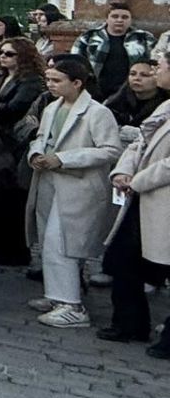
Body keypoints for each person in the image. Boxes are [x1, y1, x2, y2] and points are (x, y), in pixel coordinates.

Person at [25, 55, 122, 328]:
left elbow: (110, 150)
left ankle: (72, 305)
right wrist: (36, 154)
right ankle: (57, 295)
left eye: (57, 80)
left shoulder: (97, 113)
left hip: (79, 187)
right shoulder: (51, 108)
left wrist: (65, 159)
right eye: (48, 80)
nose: (51, 85)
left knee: (62, 242)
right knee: (48, 240)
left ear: (77, 83)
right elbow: (42, 137)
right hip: (49, 182)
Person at [103, 50, 170, 356]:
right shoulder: (165, 106)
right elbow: (141, 142)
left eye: (160, 67)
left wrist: (139, 180)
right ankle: (130, 323)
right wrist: (123, 170)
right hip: (143, 198)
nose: (155, 72)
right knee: (122, 260)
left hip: (159, 197)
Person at [0, 37, 47, 268]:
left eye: (9, 54)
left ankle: (16, 251)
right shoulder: (1, 78)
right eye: (1, 52)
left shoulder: (31, 81)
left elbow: (15, 108)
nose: (3, 56)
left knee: (13, 198)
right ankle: (0, 247)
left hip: (16, 143)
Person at [71, 1, 155, 101]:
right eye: (115, 16)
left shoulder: (144, 38)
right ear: (107, 19)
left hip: (130, 92)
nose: (120, 20)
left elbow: (155, 63)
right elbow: (74, 62)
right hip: (96, 91)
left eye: (125, 17)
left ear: (130, 20)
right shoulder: (88, 37)